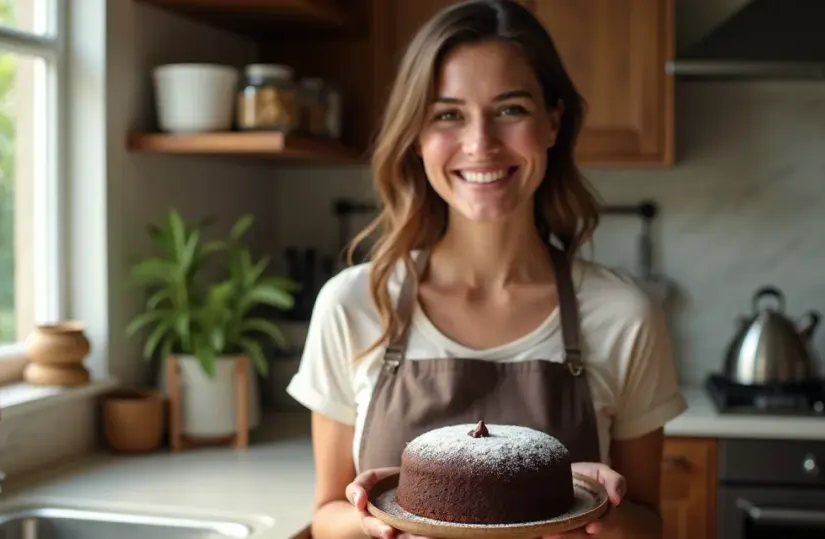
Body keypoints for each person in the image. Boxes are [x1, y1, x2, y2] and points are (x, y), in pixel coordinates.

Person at [285, 1, 688, 537]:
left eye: (510, 109)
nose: (480, 144)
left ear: (553, 122)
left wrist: (599, 519)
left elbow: (648, 525)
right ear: (417, 136)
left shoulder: (624, 316)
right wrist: (370, 524)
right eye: (448, 114)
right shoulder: (356, 304)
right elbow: (325, 516)